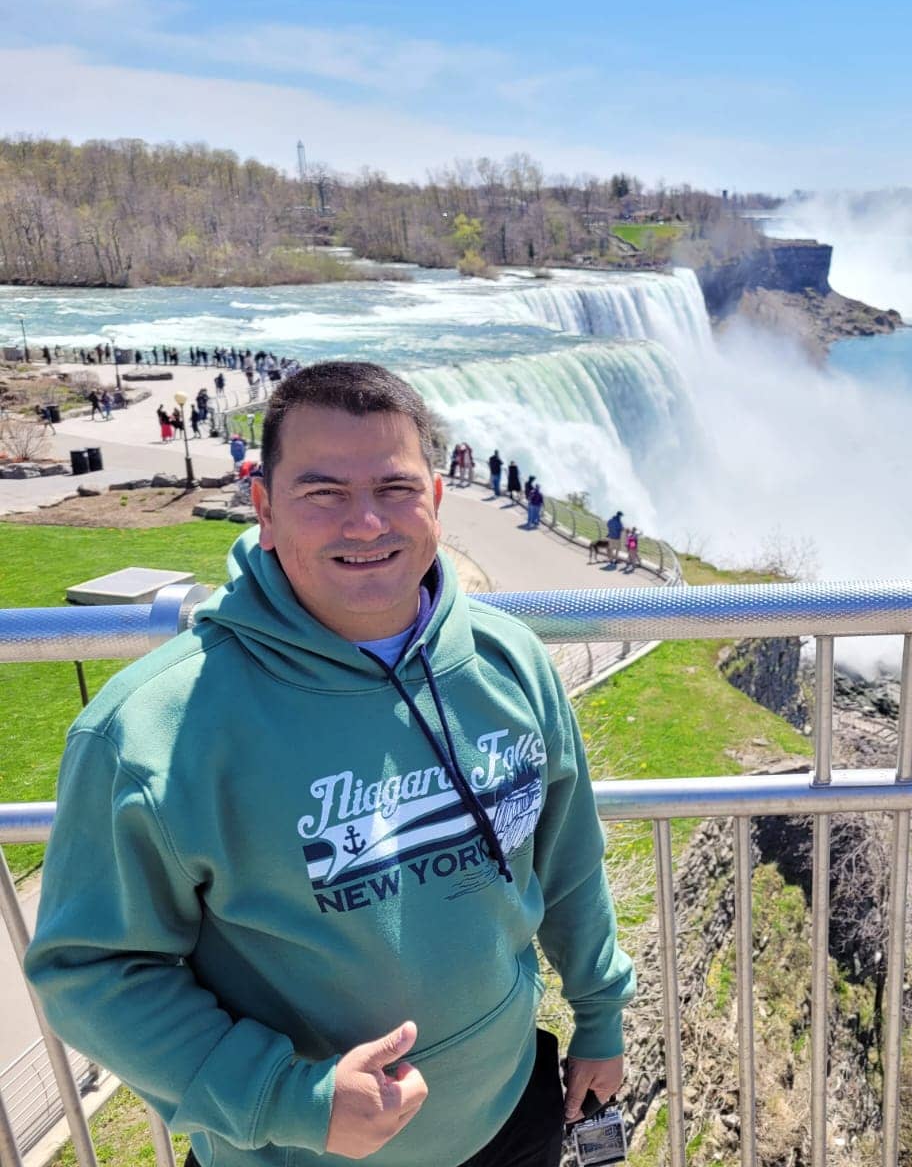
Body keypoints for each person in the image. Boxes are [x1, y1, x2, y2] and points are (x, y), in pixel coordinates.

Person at [26, 361, 634, 1167]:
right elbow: (91, 968)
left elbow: (568, 864)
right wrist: (286, 1099)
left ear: (437, 501)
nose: (366, 524)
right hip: (299, 1150)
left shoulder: (508, 660)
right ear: (266, 511)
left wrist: (601, 1016)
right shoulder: (150, 733)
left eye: (394, 488)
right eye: (324, 494)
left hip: (509, 1115)